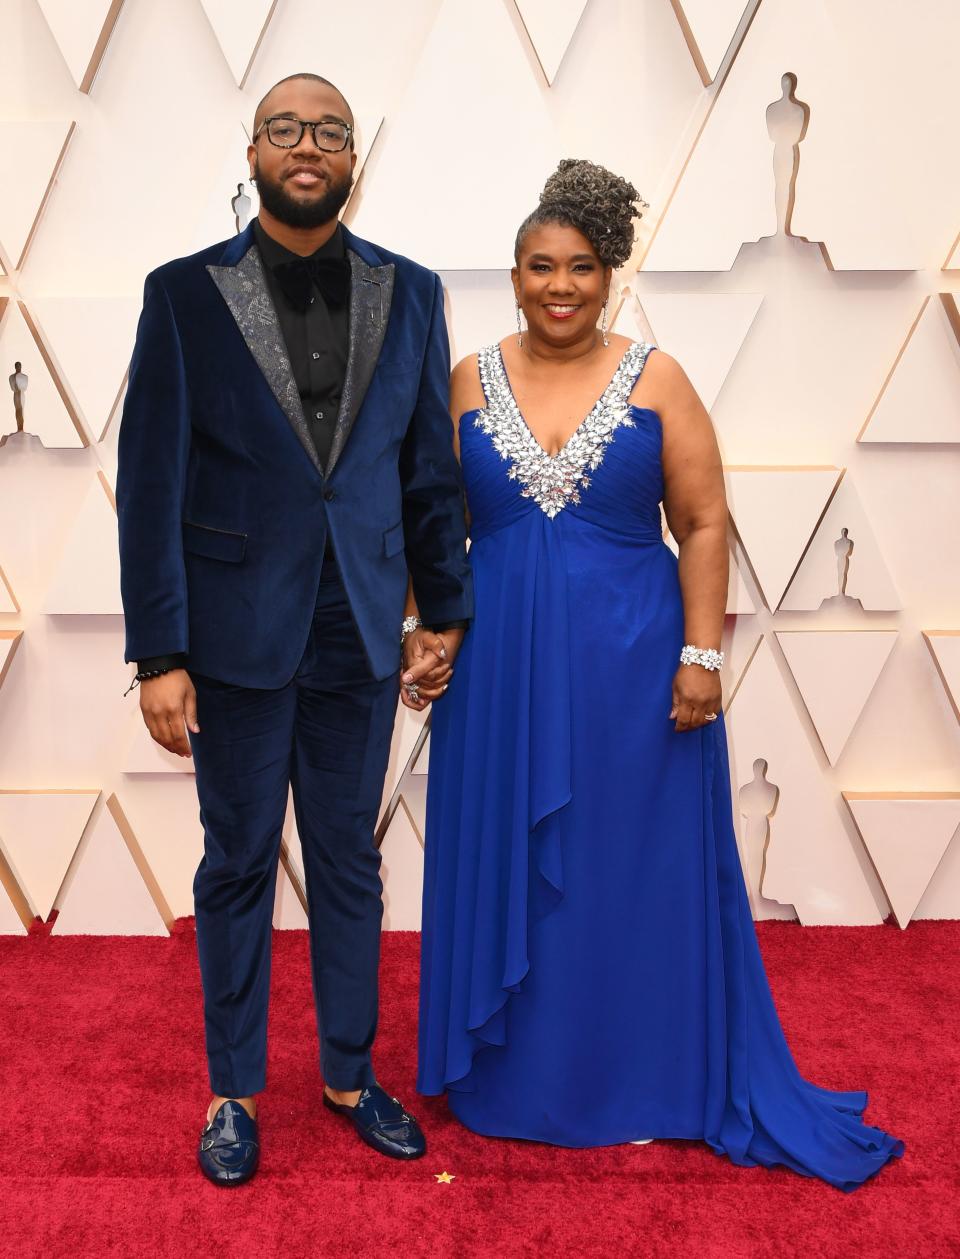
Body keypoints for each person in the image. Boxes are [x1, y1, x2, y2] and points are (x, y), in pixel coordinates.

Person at [415, 159, 903, 1191]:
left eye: (582, 267)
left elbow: (705, 521)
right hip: (497, 675)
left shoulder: (659, 378)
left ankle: (638, 1076)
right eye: (541, 266)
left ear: (611, 276)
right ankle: (511, 1078)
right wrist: (431, 627)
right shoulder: (464, 378)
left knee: (622, 874)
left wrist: (702, 653)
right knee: (514, 863)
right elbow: (438, 523)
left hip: (633, 672)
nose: (561, 285)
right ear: (511, 275)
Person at [117, 72, 472, 1186]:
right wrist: (160, 652)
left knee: (349, 863)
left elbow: (426, 468)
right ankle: (233, 1089)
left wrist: (445, 605)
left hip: (361, 626)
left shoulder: (411, 294)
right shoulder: (182, 295)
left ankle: (351, 1073)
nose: (305, 146)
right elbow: (151, 478)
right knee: (234, 862)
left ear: (353, 158)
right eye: (285, 130)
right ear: (255, 151)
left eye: (326, 131)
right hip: (231, 633)